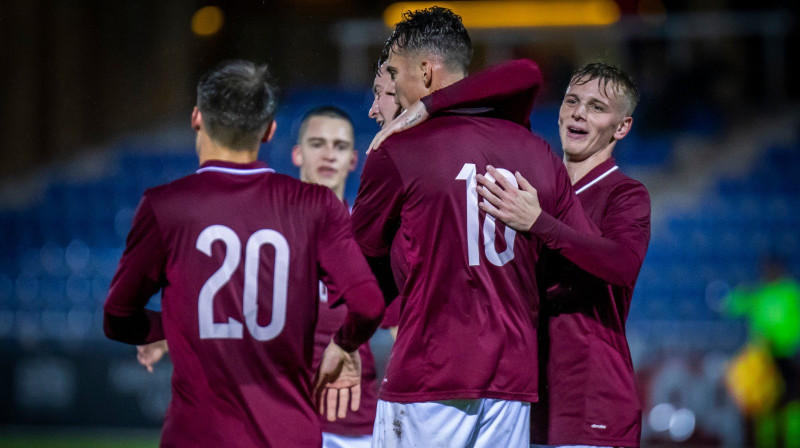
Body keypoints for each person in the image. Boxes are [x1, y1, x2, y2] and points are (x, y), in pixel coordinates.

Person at [103, 60, 385, 448]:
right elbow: (369, 305)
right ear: (270, 131)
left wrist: (175, 326)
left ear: (197, 117)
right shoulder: (315, 206)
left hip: (197, 437)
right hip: (289, 436)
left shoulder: (165, 206)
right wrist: (344, 345)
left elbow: (117, 319)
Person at [351, 8, 592, 447]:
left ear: (425, 72)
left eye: (394, 73)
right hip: (511, 380)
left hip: (430, 373)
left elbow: (360, 259)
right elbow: (580, 257)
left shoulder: (399, 152)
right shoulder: (537, 152)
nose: (392, 90)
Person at [376, 61, 650, 447]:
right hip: (522, 403)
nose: (578, 113)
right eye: (571, 100)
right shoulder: (532, 175)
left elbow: (621, 264)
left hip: (592, 406)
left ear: (621, 127)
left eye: (597, 107)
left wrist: (539, 222)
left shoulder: (624, 194)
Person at [292, 105, 377, 448]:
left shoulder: (372, 239)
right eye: (317, 143)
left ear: (353, 160)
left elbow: (402, 330)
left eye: (339, 146)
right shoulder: (268, 233)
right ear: (297, 153)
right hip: (282, 418)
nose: (329, 154)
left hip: (353, 422)